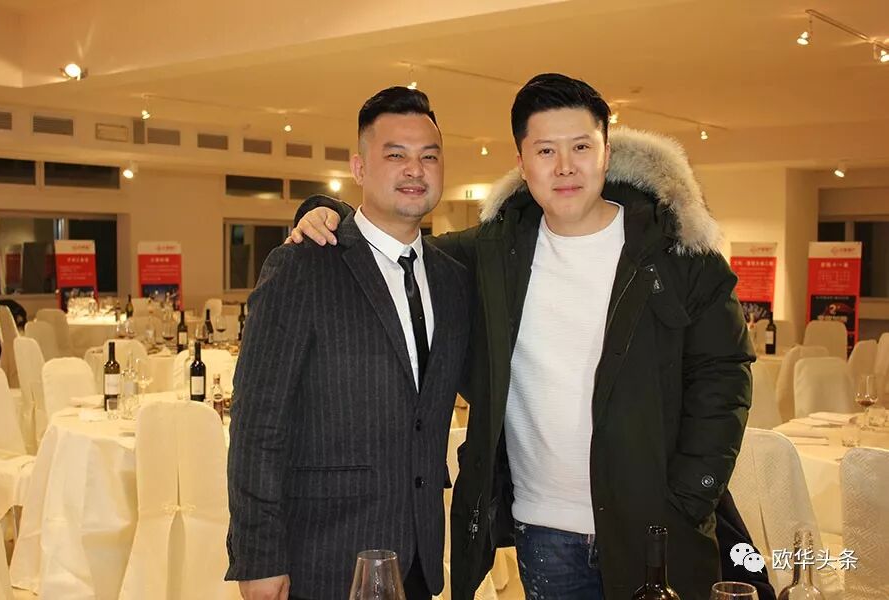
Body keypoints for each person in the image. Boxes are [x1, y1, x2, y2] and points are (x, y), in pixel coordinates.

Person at [292, 74, 770, 600]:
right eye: (545, 150)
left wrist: (690, 495)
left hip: (656, 527)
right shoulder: (492, 252)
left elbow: (725, 377)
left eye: (581, 147)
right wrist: (328, 213)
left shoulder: (678, 253)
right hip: (545, 533)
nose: (564, 166)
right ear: (522, 163)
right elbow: (393, 239)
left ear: (606, 153)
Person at [226, 86, 471, 600]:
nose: (415, 169)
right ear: (359, 168)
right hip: (323, 557)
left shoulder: (452, 279)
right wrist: (258, 556)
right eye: (396, 155)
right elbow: (257, 424)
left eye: (429, 156)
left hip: (419, 556)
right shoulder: (303, 265)